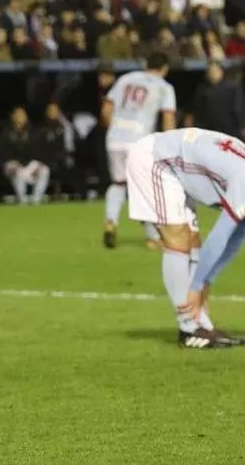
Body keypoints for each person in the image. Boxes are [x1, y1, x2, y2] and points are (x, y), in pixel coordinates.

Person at [126, 127, 245, 349]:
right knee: (179, 239)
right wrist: (197, 285)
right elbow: (219, 237)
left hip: (177, 167)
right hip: (154, 159)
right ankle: (189, 328)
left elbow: (236, 238)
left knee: (193, 242)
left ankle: (201, 325)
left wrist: (206, 280)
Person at [101, 51, 176, 249]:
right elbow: (168, 118)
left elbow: (106, 110)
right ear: (165, 68)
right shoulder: (164, 87)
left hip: (115, 138)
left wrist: (115, 129)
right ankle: (153, 237)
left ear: (146, 64)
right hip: (139, 140)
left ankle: (111, 221)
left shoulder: (125, 79)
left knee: (118, 184)